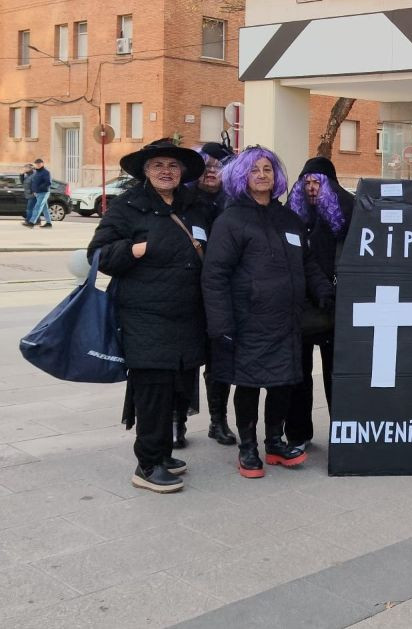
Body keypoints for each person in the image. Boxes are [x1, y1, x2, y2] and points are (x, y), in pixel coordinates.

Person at [202, 146, 334, 479]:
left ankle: (275, 442)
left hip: (287, 321)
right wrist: (220, 323)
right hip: (248, 321)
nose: (262, 175)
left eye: (267, 169)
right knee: (249, 385)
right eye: (254, 170)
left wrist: (324, 291)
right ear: (241, 176)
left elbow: (307, 263)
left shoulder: (288, 218)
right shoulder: (231, 221)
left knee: (282, 384)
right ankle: (248, 448)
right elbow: (214, 275)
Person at [87, 139, 211, 493]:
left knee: (175, 388)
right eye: (158, 165)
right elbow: (98, 254)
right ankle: (147, 464)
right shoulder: (127, 207)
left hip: (187, 316)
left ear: (182, 171)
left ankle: (163, 453)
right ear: (145, 171)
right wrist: (136, 249)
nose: (166, 171)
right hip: (145, 317)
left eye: (172, 165)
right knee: (152, 391)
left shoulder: (195, 206)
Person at [285, 157, 353, 452]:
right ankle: (298, 433)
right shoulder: (292, 214)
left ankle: (342, 431)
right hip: (300, 304)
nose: (312, 188)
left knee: (336, 374)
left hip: (335, 303)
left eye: (318, 183)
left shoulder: (349, 211)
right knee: (298, 375)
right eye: (307, 183)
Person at [176, 142, 238, 448]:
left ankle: (218, 421)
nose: (211, 171)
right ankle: (178, 421)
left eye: (219, 166)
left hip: (223, 295)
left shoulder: (234, 205)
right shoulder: (181, 202)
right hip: (187, 295)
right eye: (206, 165)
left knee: (219, 361)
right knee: (184, 361)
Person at [23, 158, 52, 228]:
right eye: (36, 164)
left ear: (42, 164)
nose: (38, 165)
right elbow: (34, 182)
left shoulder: (46, 172)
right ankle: (48, 223)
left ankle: (32, 222)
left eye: (39, 163)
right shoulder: (36, 172)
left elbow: (48, 182)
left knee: (37, 207)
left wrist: (38, 188)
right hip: (37, 193)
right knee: (45, 208)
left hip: (43, 192)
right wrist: (34, 191)